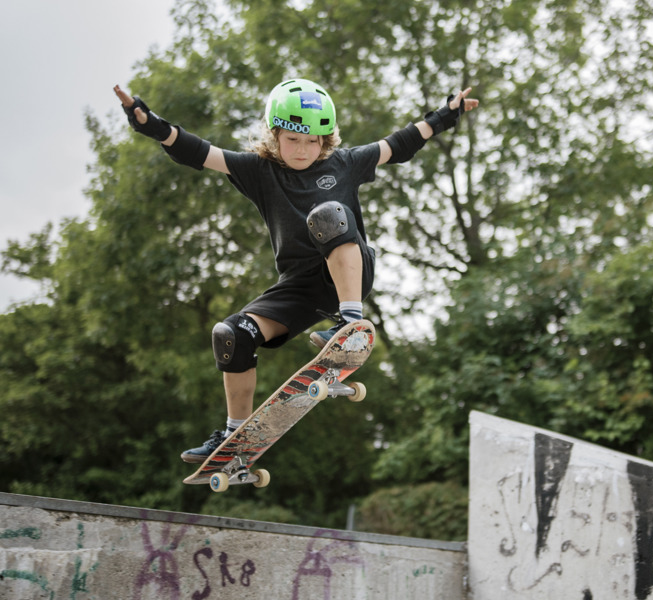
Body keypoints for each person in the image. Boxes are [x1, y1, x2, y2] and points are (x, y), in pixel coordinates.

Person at [113, 78, 479, 463]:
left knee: (329, 216)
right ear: (275, 135)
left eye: (313, 141)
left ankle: (349, 324)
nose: (303, 150)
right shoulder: (257, 170)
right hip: (299, 289)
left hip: (348, 273)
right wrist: (149, 123)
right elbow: (197, 151)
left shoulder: (346, 163)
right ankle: (235, 438)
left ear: (326, 139)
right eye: (293, 140)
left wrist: (445, 115)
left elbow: (400, 143)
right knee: (232, 334)